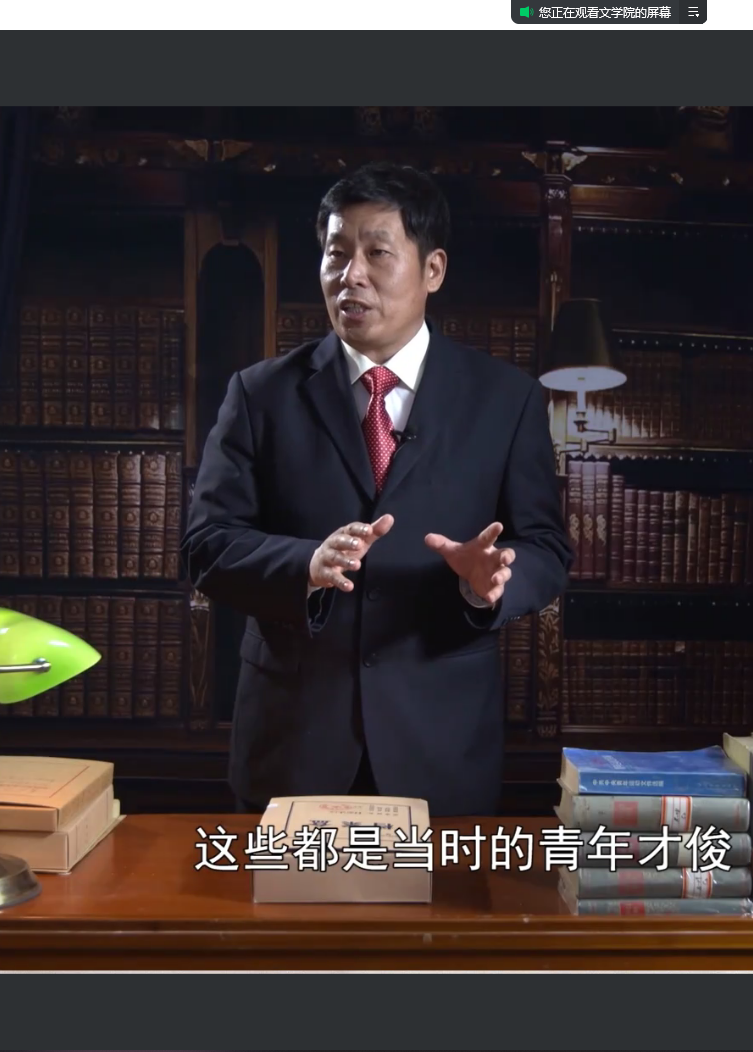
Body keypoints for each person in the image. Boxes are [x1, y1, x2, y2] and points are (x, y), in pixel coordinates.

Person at [183, 162, 574, 817]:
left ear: (433, 270)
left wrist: (494, 580)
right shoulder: (260, 394)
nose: (351, 275)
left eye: (377, 253)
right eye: (336, 253)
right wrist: (304, 565)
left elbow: (547, 547)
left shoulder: (505, 400)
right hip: (294, 741)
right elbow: (207, 544)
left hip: (442, 742)